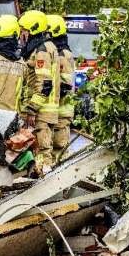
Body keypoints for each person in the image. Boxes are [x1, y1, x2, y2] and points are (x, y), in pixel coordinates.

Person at [18, 10, 60, 172]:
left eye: (24, 31)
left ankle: (44, 182)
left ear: (33, 30)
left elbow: (44, 84)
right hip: (45, 110)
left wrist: (31, 109)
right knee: (40, 151)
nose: (22, 35)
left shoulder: (41, 50)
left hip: (41, 111)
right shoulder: (47, 46)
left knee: (42, 152)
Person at [47, 14, 77, 160]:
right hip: (58, 110)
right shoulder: (62, 51)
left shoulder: (62, 54)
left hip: (61, 110)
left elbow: (65, 85)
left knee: (59, 149)